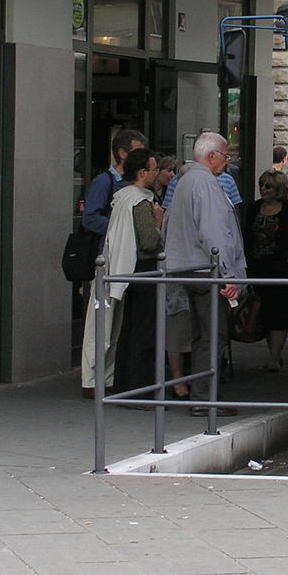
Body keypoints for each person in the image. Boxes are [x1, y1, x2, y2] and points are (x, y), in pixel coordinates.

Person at [162, 131, 247, 416]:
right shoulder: (206, 184)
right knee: (213, 334)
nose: (228, 161)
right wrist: (228, 275)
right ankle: (204, 398)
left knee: (202, 334)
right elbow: (214, 233)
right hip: (205, 270)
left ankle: (201, 394)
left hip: (186, 268)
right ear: (212, 156)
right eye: (225, 156)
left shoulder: (184, 182)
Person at [80, 128, 147, 399]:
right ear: (122, 153)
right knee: (100, 323)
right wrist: (119, 226)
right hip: (106, 261)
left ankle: (106, 378)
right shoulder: (104, 182)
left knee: (115, 326)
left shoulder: (128, 186)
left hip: (121, 259)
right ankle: (90, 379)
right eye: (137, 151)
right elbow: (89, 218)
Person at [109, 148, 164, 398]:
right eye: (154, 170)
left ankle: (124, 385)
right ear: (142, 172)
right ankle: (138, 388)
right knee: (143, 331)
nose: (157, 174)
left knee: (129, 329)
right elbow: (149, 242)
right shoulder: (140, 202)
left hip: (126, 269)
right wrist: (159, 222)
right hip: (142, 270)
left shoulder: (122, 197)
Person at [242, 170, 288, 371]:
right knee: (262, 311)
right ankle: (272, 353)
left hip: (281, 268)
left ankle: (274, 357)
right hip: (258, 267)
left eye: (268, 186)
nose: (262, 189)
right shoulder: (255, 207)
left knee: (280, 312)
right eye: (261, 184)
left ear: (278, 189)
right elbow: (247, 235)